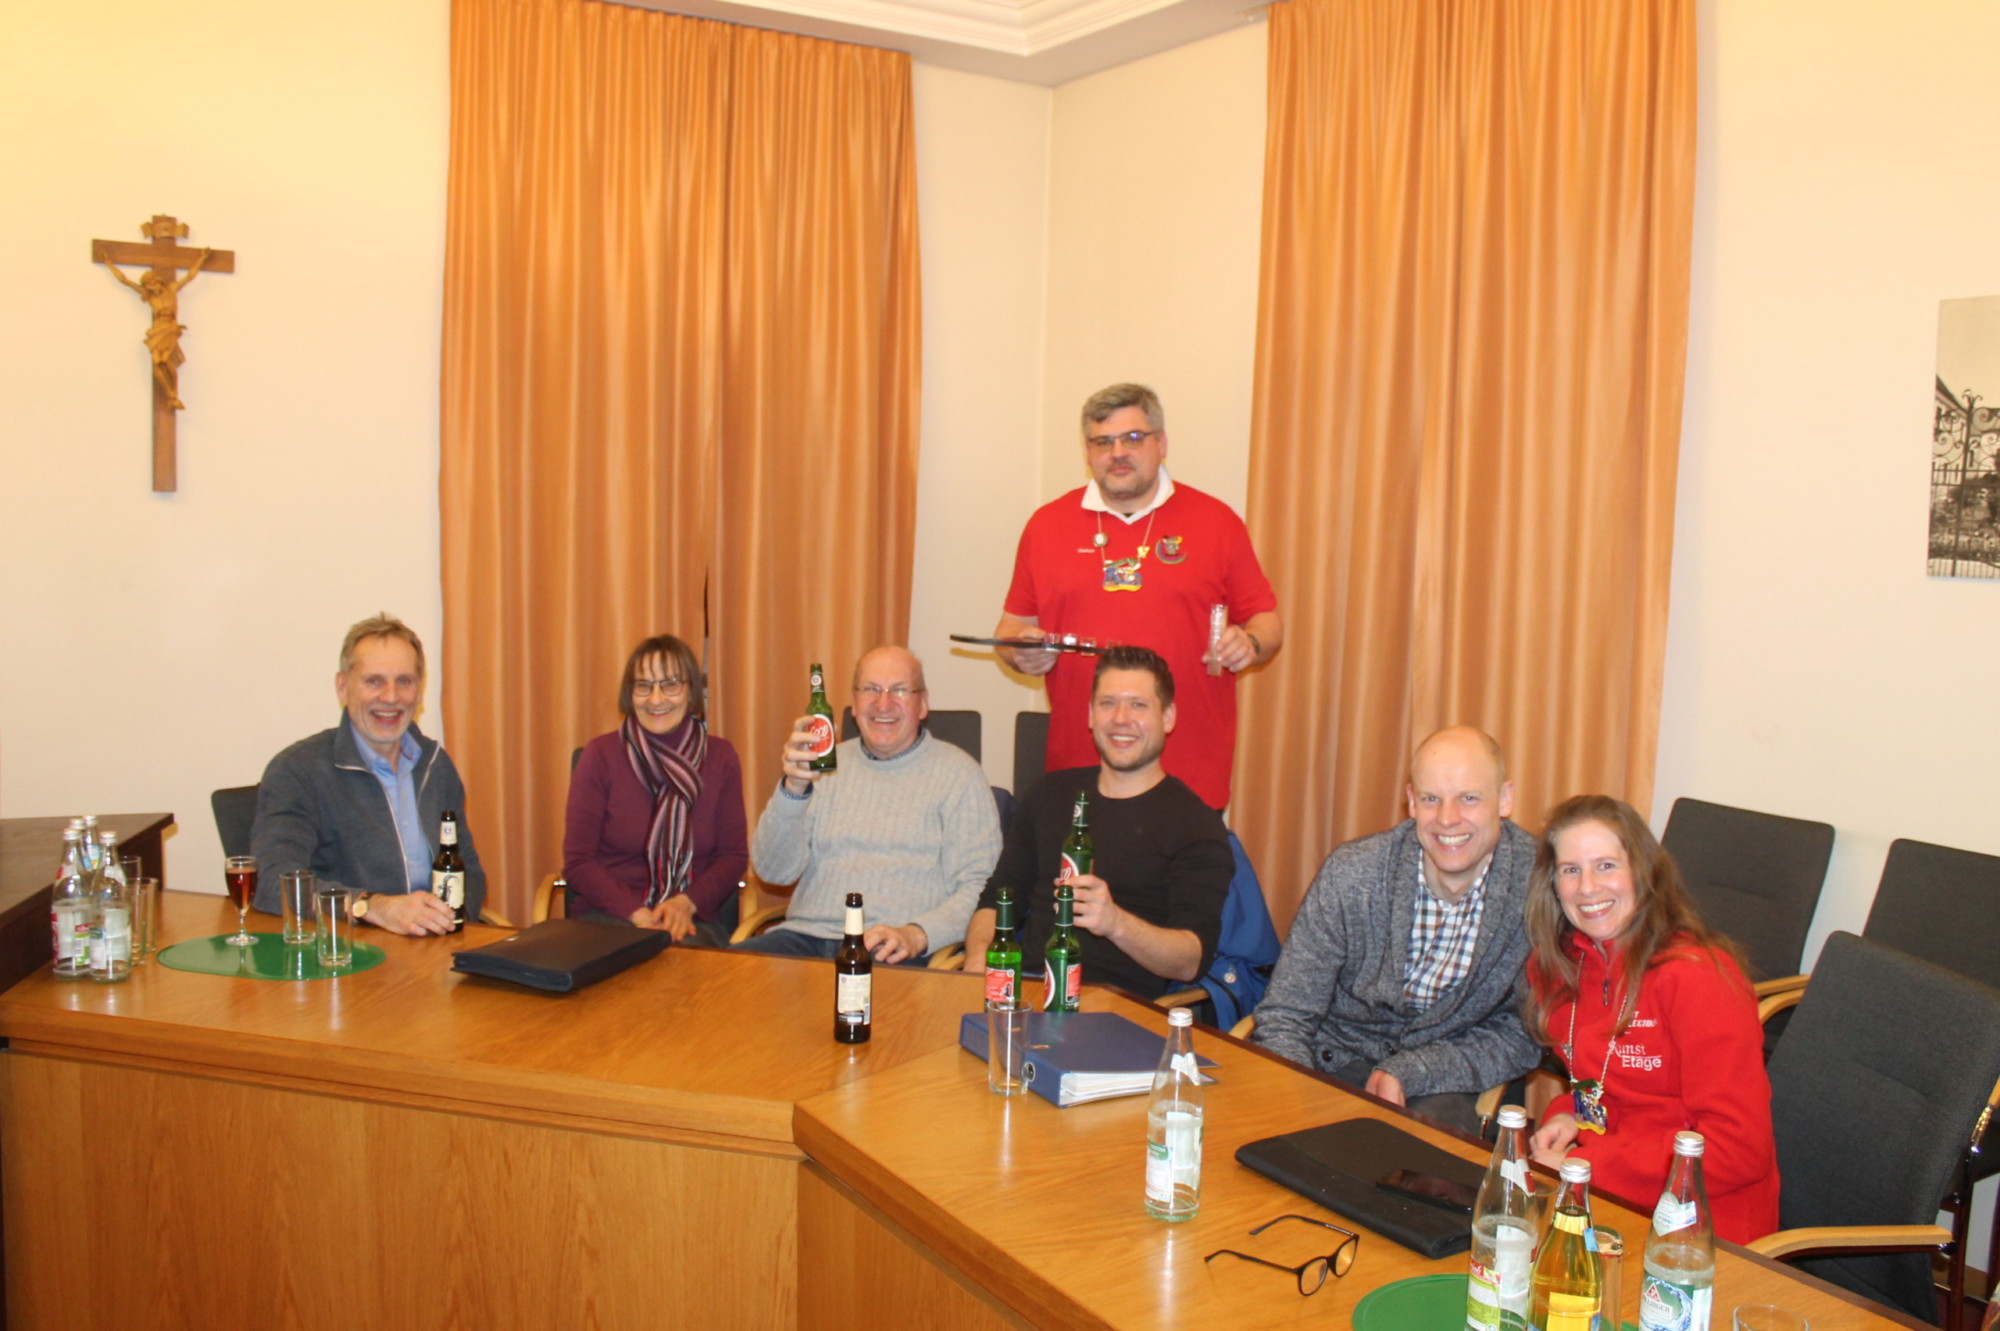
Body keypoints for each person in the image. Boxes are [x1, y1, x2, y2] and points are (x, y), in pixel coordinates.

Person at [992, 383, 1282, 810]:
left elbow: (1268, 623)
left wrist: (1250, 643)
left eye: (1132, 438)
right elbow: (1011, 628)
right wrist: (1021, 651)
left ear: (1161, 443)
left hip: (1190, 773)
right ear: (1087, 451)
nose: (1117, 453)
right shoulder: (1046, 525)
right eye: (1102, 442)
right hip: (1078, 768)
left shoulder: (1216, 522)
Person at [1251, 727, 1540, 1135]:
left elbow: (1523, 1035)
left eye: (1469, 798)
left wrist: (1412, 1070)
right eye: (1431, 799)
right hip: (1331, 1062)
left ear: (1505, 799)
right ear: (1411, 801)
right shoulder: (1354, 873)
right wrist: (1298, 1109)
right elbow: (1287, 1012)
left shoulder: (1538, 891)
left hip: (1445, 1079)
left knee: (1424, 1160)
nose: (1447, 818)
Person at [1523, 794, 1779, 1244]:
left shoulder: (1698, 978)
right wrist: (1568, 1116)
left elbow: (1739, 1149)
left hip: (1703, 1228)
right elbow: (1605, 1086)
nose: (1587, 888)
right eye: (1570, 870)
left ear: (1643, 872)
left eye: (1606, 866)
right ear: (1552, 884)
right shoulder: (1561, 968)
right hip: (1608, 1198)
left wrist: (1590, 1164)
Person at [961, 646, 1231, 1001]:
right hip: (1025, 996)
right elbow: (997, 898)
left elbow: (1190, 960)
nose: (1121, 718)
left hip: (1117, 1008)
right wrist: (978, 961)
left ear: (1168, 717)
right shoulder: (1048, 795)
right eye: (1108, 703)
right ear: (1090, 715)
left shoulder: (1196, 824)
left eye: (1138, 705)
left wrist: (1116, 923)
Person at [740, 646, 999, 963]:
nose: (883, 703)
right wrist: (793, 789)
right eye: (871, 689)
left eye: (899, 690)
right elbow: (774, 872)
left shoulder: (959, 775)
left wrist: (918, 933)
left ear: (923, 704)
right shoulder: (821, 767)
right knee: (718, 979)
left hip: (891, 949)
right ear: (854, 703)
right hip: (805, 940)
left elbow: (981, 887)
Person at [251, 613, 484, 934]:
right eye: (374, 681)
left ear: (419, 690)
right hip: (350, 947)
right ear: (343, 687)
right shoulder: (298, 771)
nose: (391, 697)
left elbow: (468, 867)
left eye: (404, 681)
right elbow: (271, 881)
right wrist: (371, 907)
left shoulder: (435, 765)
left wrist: (450, 924)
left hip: (437, 946)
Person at [562, 634, 747, 945]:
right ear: (630, 693)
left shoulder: (721, 757)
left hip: (691, 919)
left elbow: (733, 857)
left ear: (690, 690)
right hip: (609, 916)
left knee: (680, 966)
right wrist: (636, 913)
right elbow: (579, 862)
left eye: (670, 684)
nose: (656, 699)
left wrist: (685, 903)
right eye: (643, 685)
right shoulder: (600, 755)